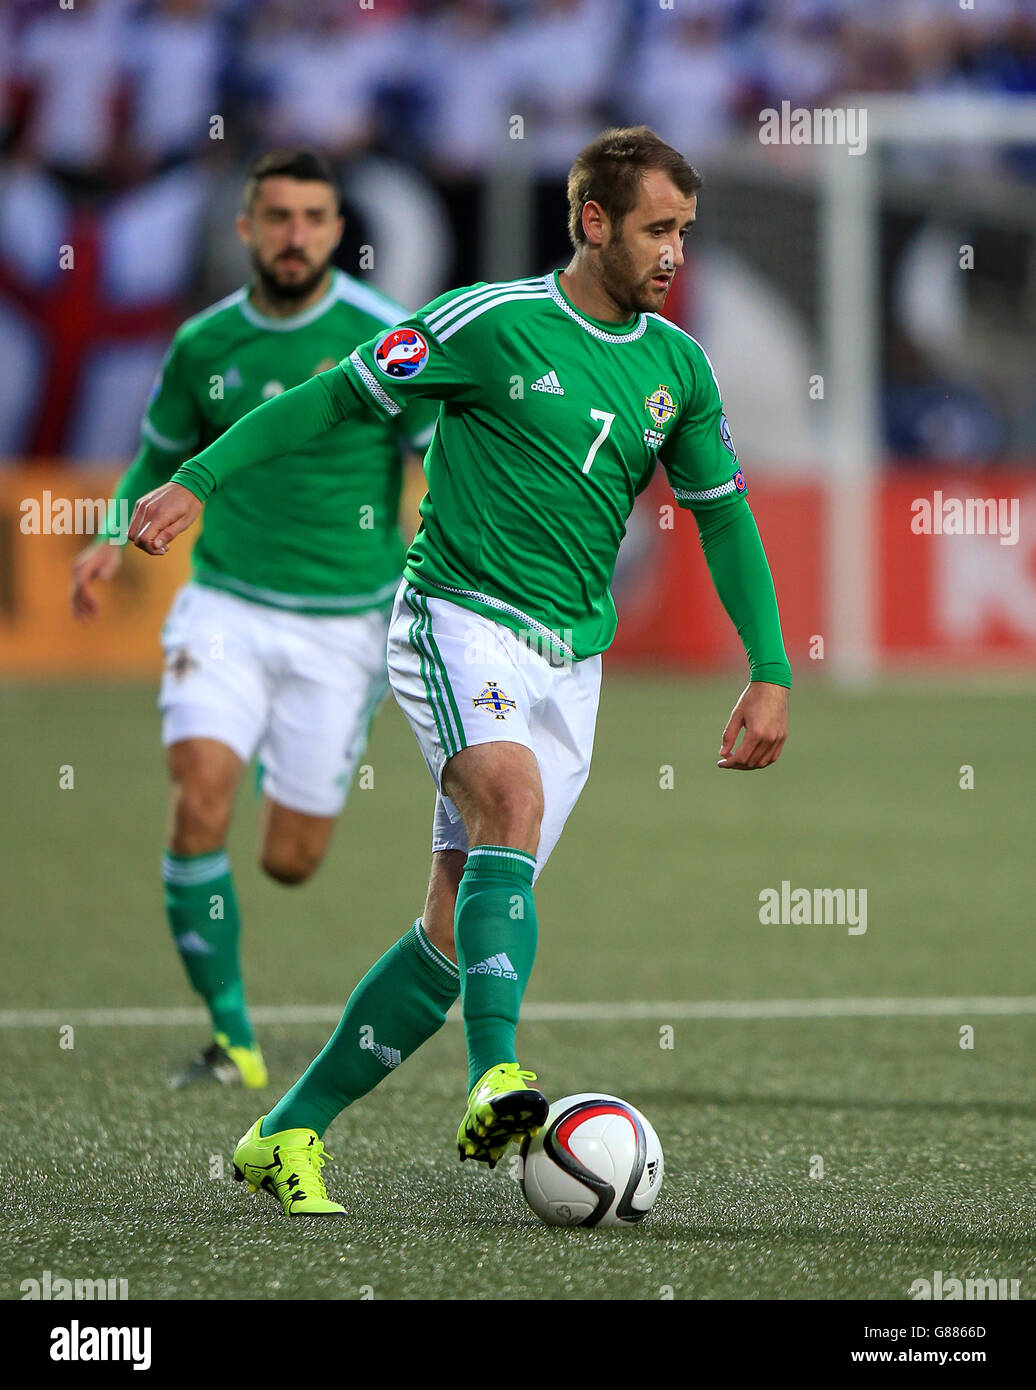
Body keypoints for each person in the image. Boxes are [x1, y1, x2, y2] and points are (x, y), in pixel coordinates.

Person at [129, 127, 791, 1215]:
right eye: (656, 228)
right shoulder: (489, 322)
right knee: (510, 802)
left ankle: (283, 1133)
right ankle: (497, 1074)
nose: (675, 251)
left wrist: (769, 666)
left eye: (684, 230)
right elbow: (335, 397)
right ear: (593, 221)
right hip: (453, 615)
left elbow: (723, 521)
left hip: (570, 660)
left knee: (452, 925)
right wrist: (198, 475)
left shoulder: (680, 367)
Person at [72, 148, 434, 1091]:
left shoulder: (384, 336)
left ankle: (296, 749)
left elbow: (441, 461)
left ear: (336, 230)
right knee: (197, 800)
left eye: (314, 218)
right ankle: (232, 1038)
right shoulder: (202, 345)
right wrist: (110, 536)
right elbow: (156, 458)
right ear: (246, 228)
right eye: (277, 217)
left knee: (289, 861)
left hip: (344, 628)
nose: (295, 235)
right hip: (225, 606)